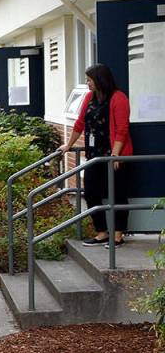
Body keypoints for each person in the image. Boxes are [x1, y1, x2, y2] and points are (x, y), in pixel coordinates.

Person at [59, 63, 132, 247]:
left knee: (118, 194)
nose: (87, 83)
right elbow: (79, 123)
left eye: (89, 80)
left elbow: (122, 129)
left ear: (100, 80)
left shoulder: (118, 98)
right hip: (95, 156)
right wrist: (68, 145)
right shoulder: (90, 98)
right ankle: (102, 232)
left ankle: (117, 235)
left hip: (114, 156)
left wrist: (115, 156)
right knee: (91, 192)